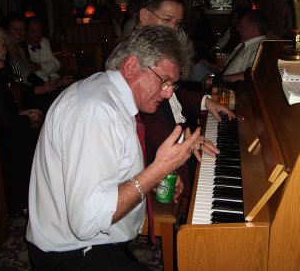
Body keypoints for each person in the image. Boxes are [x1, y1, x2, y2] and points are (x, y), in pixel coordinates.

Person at [26, 26, 212, 270]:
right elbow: (87, 221)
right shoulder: (96, 113)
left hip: (99, 244)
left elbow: (108, 171)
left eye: (172, 85)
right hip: (71, 254)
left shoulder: (109, 94)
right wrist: (158, 169)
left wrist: (153, 179)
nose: (168, 93)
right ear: (131, 66)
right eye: (164, 81)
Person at [137, 0, 235, 200]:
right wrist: (185, 141)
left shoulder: (160, 47)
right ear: (144, 16)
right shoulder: (134, 56)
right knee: (212, 186)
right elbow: (145, 120)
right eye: (167, 20)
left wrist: (206, 101)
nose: (173, 30)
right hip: (152, 152)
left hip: (177, 129)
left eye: (177, 24)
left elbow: (176, 91)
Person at [0, 22, 43, 215]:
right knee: (38, 140)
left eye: (3, 46)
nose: (2, 51)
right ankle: (25, 203)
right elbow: (8, 125)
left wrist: (23, 114)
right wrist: (28, 119)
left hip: (3, 133)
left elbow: (2, 115)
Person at [222, 10, 268, 84]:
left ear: (254, 29)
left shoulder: (259, 48)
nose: (237, 29)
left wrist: (218, 80)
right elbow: (227, 70)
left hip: (230, 90)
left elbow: (251, 74)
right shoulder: (247, 45)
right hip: (223, 84)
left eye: (241, 26)